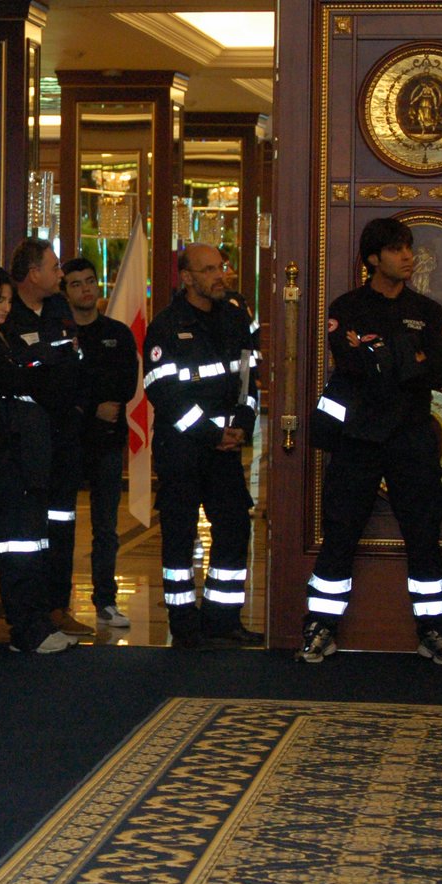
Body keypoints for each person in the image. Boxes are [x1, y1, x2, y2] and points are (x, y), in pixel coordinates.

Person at [298, 216, 442, 664]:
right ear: (373, 258)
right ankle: (320, 628)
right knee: (341, 533)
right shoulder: (348, 306)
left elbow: (437, 373)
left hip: (411, 439)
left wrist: (384, 356)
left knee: (423, 534)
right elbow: (353, 364)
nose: (407, 257)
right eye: (397, 249)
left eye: (409, 248)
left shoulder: (428, 311)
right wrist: (404, 357)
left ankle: (436, 632)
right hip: (358, 439)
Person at [142, 243, 262, 650]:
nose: (220, 275)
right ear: (187, 278)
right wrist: (213, 434)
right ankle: (185, 624)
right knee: (180, 536)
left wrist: (243, 423)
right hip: (183, 449)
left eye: (222, 267)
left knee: (234, 527)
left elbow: (249, 378)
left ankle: (222, 620)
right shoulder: (166, 326)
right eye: (209, 269)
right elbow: (163, 392)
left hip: (227, 450)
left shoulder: (234, 319)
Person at [0, 265, 74, 655]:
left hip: (24, 452)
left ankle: (36, 622)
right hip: (4, 454)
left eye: (8, 299)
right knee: (18, 543)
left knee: (32, 542)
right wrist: (38, 364)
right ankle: (26, 629)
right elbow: (9, 383)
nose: (6, 307)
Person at [5, 239, 91, 637]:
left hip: (65, 433)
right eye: (54, 268)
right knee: (29, 529)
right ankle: (31, 613)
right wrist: (46, 356)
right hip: (26, 437)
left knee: (62, 524)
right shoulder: (9, 312)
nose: (61, 275)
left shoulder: (58, 308)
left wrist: (47, 356)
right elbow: (21, 367)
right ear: (32, 273)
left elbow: (69, 358)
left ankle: (58, 607)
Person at [62, 257, 140, 629]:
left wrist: (94, 402)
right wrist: (92, 406)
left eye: (90, 281)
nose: (85, 289)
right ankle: (58, 603)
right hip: (68, 442)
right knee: (61, 523)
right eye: (76, 284)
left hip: (107, 443)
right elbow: (64, 387)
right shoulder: (59, 334)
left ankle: (105, 600)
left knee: (106, 527)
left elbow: (125, 384)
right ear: (66, 292)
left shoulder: (117, 333)